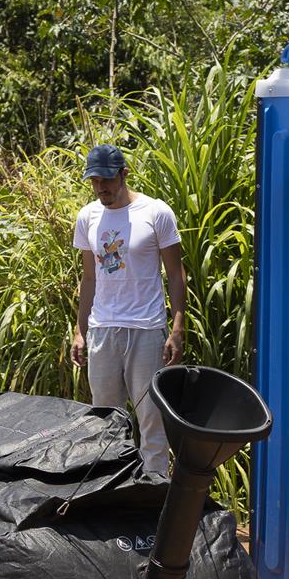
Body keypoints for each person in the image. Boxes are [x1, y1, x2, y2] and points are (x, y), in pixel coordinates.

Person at [70, 143, 186, 479]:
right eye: (94, 181)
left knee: (152, 419)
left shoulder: (155, 212)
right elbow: (89, 277)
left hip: (147, 329)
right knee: (106, 421)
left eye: (107, 179)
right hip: (103, 329)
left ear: (124, 174)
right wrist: (80, 330)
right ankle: (112, 495)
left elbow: (177, 275)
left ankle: (154, 495)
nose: (101, 187)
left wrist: (177, 329)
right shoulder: (88, 216)